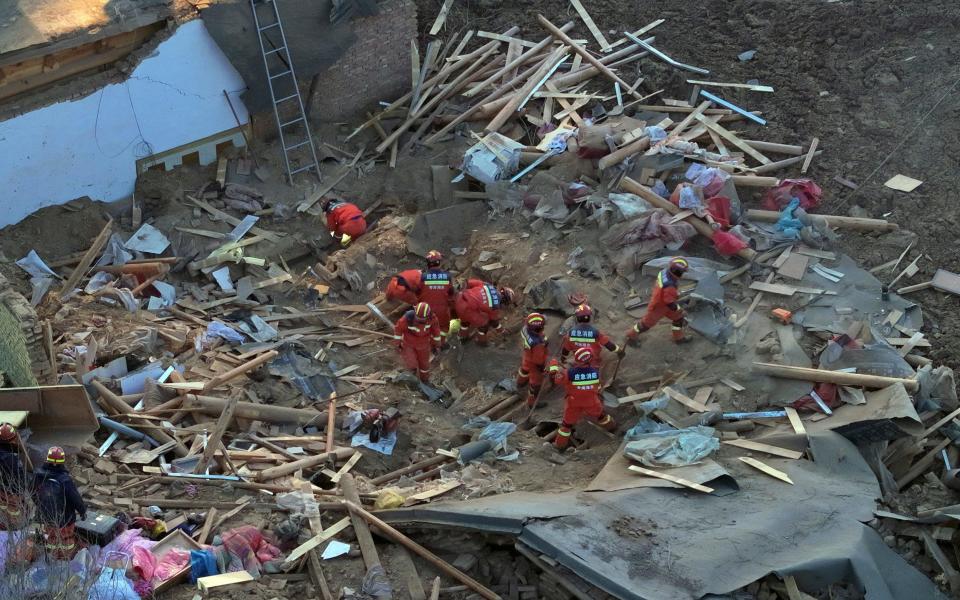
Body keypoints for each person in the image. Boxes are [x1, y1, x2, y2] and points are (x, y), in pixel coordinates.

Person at [547, 348, 617, 451]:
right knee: (601, 415)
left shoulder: (569, 373)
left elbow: (556, 379)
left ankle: (559, 445)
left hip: (574, 403)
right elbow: (597, 385)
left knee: (566, 425)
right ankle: (612, 428)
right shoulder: (595, 373)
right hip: (591, 401)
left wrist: (553, 367)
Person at [33, 446, 87, 561]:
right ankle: (64, 559)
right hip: (65, 519)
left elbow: (33, 493)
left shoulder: (38, 476)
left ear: (47, 459)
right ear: (63, 461)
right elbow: (75, 498)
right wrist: (82, 512)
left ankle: (52, 558)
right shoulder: (64, 479)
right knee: (66, 540)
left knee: (51, 539)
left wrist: (40, 506)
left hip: (47, 518)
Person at [626, 257, 690, 345]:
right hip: (658, 307)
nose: (682, 274)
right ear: (676, 271)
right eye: (682, 272)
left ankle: (679, 338)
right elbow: (670, 303)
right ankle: (631, 336)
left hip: (662, 302)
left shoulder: (664, 273)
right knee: (645, 325)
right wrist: (681, 310)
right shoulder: (669, 286)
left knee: (678, 318)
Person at [454, 279, 515, 345]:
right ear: (505, 301)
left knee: (465, 321)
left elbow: (468, 282)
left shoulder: (487, 285)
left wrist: (464, 294)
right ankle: (481, 342)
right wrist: (502, 331)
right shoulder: (495, 306)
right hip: (467, 310)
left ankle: (462, 337)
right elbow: (494, 322)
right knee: (484, 324)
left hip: (458, 299)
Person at [393, 302, 442, 383]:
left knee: (424, 366)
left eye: (422, 319)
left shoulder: (432, 319)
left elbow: (436, 333)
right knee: (411, 364)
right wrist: (397, 344)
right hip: (409, 344)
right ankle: (412, 380)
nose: (420, 321)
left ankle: (425, 381)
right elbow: (398, 330)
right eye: (418, 318)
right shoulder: (407, 318)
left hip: (424, 346)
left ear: (428, 315)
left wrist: (437, 345)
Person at [418, 251, 454, 345]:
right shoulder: (447, 276)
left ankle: (428, 343)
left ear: (428, 263)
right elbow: (451, 294)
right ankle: (440, 344)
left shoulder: (422, 277)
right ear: (439, 262)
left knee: (426, 327)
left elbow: (417, 293)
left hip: (426, 310)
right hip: (443, 310)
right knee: (443, 327)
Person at [516, 313, 549, 408]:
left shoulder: (525, 329)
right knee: (536, 383)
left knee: (524, 369)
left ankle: (520, 383)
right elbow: (538, 361)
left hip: (527, 355)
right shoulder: (538, 343)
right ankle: (532, 402)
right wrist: (542, 369)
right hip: (535, 362)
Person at [0, 423, 27, 530]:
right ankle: (14, 526)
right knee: (14, 510)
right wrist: (20, 492)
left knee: (3, 506)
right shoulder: (11, 459)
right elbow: (18, 477)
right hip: (12, 491)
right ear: (13, 439)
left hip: (1, 489)